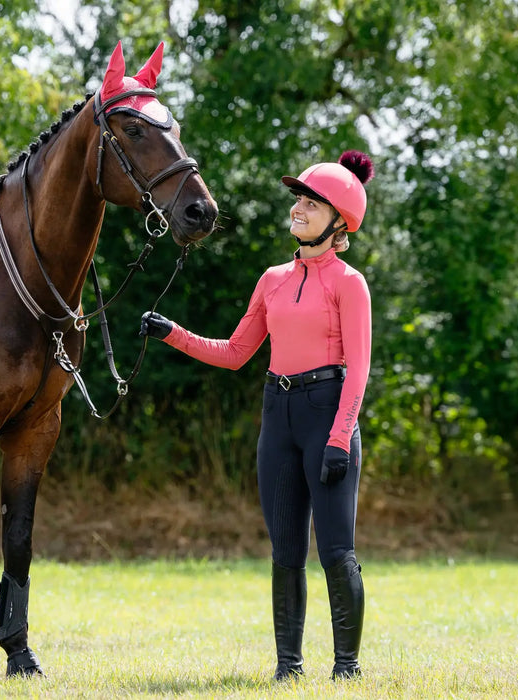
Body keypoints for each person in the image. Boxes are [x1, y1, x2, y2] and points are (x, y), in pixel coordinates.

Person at [140, 150, 374, 681]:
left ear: (339, 221)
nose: (298, 209)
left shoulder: (348, 283)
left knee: (336, 548)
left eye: (311, 204)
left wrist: (340, 436)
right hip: (279, 413)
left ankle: (346, 669)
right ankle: (288, 668)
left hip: (326, 412)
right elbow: (235, 352)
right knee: (286, 549)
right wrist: (172, 332)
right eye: (297, 199)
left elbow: (358, 369)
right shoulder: (271, 278)